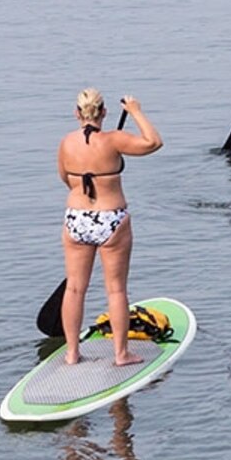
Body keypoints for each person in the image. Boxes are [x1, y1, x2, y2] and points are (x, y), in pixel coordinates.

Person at [59, 89, 161, 366]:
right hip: (110, 219)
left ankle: (71, 353)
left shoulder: (67, 142)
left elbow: (65, 178)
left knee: (74, 289)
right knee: (116, 290)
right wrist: (136, 111)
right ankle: (121, 354)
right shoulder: (114, 140)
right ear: (104, 113)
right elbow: (154, 142)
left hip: (76, 219)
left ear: (77, 113)